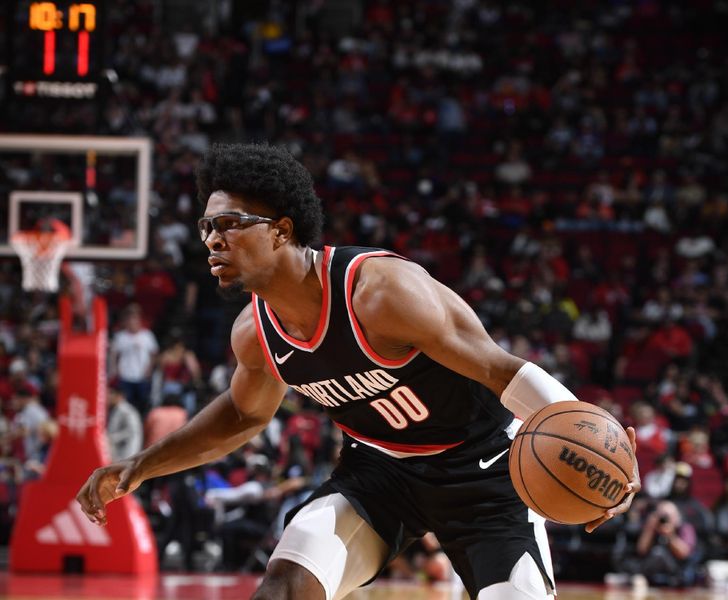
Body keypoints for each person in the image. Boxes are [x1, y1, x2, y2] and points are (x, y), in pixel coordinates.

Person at [77, 144, 641, 600]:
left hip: (485, 472)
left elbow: (504, 372)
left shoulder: (380, 292)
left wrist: (603, 450)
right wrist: (142, 465)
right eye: (205, 226)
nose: (212, 239)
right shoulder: (255, 334)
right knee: (284, 584)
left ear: (280, 229)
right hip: (382, 477)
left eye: (228, 223)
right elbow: (245, 414)